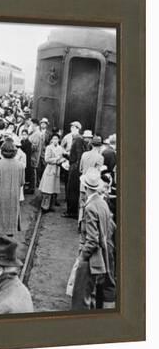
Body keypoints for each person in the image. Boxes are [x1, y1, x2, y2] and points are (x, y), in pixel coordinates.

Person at [72, 168, 116, 310]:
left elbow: (92, 240)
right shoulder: (102, 203)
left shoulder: (90, 207)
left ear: (85, 187)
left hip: (91, 259)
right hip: (102, 256)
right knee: (94, 293)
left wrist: (82, 258)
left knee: (80, 297)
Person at [0, 140, 25, 236]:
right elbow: (22, 182)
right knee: (12, 212)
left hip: (1, 193)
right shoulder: (20, 165)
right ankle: (10, 231)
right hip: (14, 193)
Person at [64, 122, 85, 218]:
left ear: (78, 128)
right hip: (73, 166)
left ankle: (72, 212)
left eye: (73, 127)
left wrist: (76, 168)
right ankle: (71, 210)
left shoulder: (78, 139)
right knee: (71, 190)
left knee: (72, 190)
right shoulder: (76, 138)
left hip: (74, 169)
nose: (71, 128)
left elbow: (79, 155)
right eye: (71, 126)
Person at [39, 133, 64, 211]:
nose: (55, 140)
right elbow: (47, 159)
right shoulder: (49, 148)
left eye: (57, 139)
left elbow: (63, 157)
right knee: (48, 188)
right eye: (54, 139)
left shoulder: (60, 148)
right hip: (50, 168)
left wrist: (62, 160)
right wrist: (56, 160)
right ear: (51, 140)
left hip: (57, 169)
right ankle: (45, 205)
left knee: (54, 188)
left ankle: (51, 205)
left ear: (59, 140)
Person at [26, 119, 43, 194]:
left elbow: (34, 146)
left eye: (31, 124)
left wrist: (26, 146)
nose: (30, 126)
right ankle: (31, 187)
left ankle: (32, 188)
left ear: (35, 125)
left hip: (33, 156)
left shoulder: (37, 134)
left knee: (33, 171)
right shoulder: (34, 133)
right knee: (32, 171)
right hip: (32, 155)